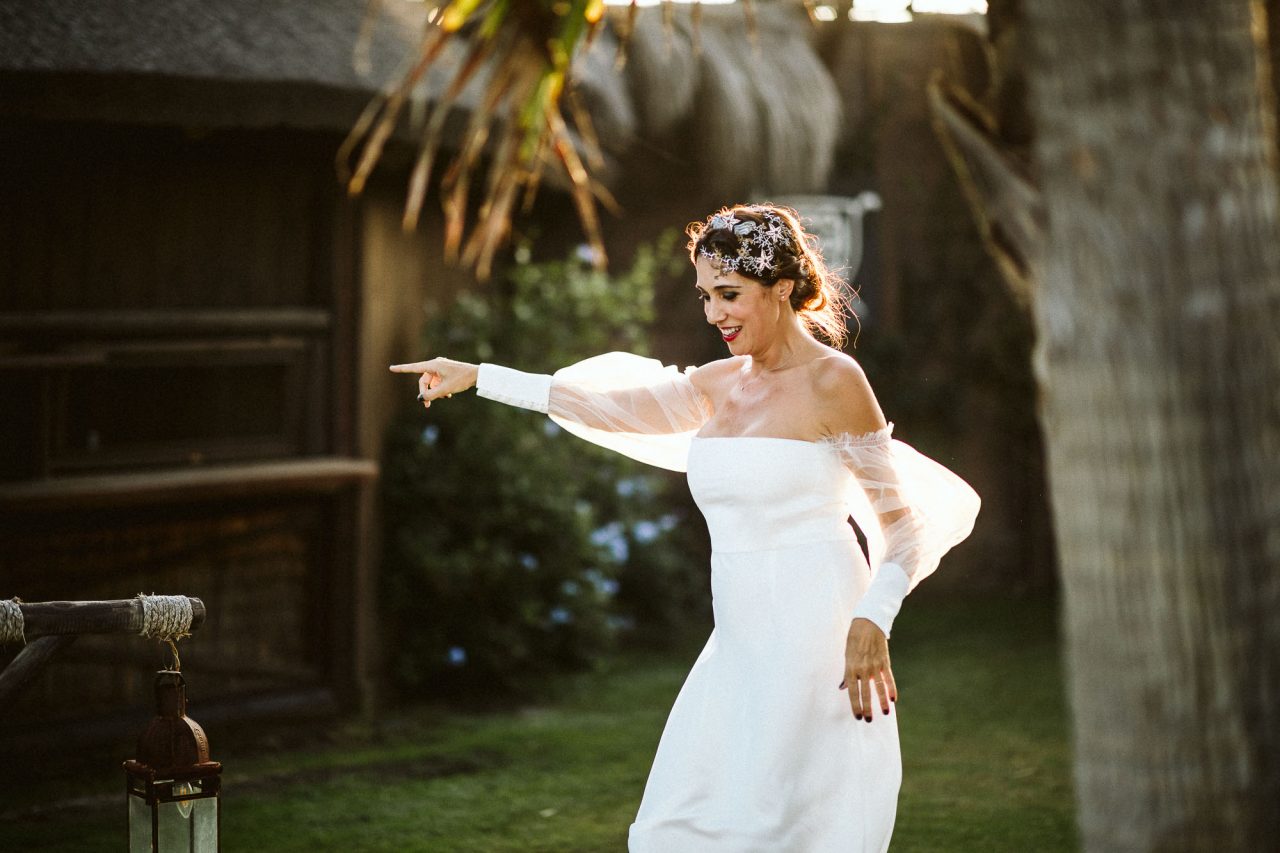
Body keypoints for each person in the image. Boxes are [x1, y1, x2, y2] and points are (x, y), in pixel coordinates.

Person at [391, 203, 980, 852]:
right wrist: (482, 378)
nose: (713, 315)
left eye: (729, 295)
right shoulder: (717, 384)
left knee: (791, 829)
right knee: (678, 827)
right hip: (738, 644)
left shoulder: (834, 382)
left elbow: (903, 524)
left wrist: (875, 616)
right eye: (705, 297)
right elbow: (605, 408)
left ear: (780, 288)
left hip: (820, 643)